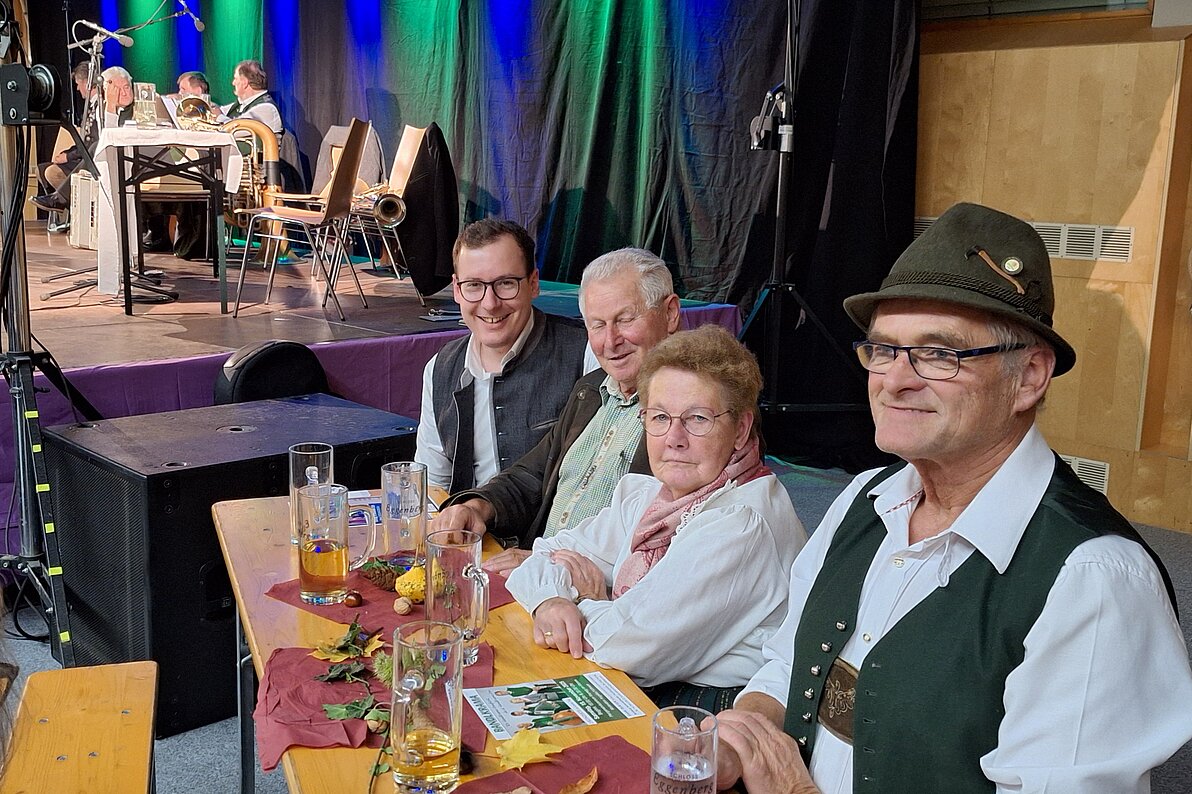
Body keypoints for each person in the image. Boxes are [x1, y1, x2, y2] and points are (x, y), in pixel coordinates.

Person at [714, 202, 1192, 793]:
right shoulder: (864, 499)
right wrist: (737, 738)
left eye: (939, 354)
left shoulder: (1093, 579)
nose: (895, 380)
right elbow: (790, 663)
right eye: (884, 350)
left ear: (1030, 377)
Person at [507, 326, 807, 712]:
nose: (674, 438)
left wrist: (584, 598)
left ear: (741, 429)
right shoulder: (649, 497)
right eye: (660, 417)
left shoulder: (741, 523)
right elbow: (544, 555)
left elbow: (625, 648)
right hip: (639, 683)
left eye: (697, 418)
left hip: (709, 712)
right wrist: (550, 600)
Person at [434, 247, 681, 575]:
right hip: (536, 575)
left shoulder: (688, 412)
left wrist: (549, 562)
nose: (610, 341)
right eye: (597, 325)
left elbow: (665, 533)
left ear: (670, 314)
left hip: (589, 592)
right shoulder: (591, 389)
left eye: (625, 320)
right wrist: (479, 506)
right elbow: (531, 476)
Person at [415, 219, 588, 492]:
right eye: (474, 285)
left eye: (506, 283)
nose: (490, 303)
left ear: (533, 283)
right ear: (457, 289)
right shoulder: (439, 369)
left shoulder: (585, 352)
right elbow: (432, 487)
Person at [31, 66, 133, 215]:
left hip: (126, 160)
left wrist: (70, 156)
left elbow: (105, 141)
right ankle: (67, 207)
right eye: (116, 89)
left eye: (126, 87)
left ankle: (63, 201)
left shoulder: (139, 107)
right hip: (105, 160)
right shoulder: (107, 109)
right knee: (42, 168)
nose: (123, 93)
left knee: (92, 149)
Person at [217, 59, 283, 135]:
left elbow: (237, 130)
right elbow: (219, 110)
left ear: (244, 82)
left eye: (235, 79)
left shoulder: (267, 109)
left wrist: (219, 117)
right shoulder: (242, 104)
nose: (233, 83)